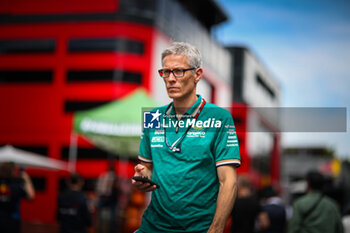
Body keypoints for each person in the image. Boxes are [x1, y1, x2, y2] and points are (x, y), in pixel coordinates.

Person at [132, 42, 241, 233]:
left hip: (199, 228)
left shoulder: (219, 118)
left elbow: (228, 181)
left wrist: (216, 229)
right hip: (153, 226)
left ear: (197, 74)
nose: (170, 79)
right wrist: (142, 176)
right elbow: (147, 166)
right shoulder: (153, 117)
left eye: (178, 71)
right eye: (166, 72)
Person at [0, 162, 35, 233]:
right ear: (12, 171)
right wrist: (27, 179)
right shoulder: (16, 185)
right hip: (12, 219)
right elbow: (31, 197)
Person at [96, 166, 120, 233]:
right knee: (111, 217)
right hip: (108, 197)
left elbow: (99, 189)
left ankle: (102, 230)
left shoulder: (103, 176)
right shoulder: (109, 176)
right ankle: (107, 230)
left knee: (107, 217)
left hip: (107, 197)